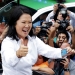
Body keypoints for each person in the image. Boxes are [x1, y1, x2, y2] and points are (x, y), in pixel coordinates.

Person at [1, 6, 73, 75]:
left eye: (29, 22)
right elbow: (9, 60)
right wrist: (17, 55)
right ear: (14, 24)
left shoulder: (33, 39)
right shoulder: (7, 42)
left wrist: (66, 52)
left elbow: (49, 51)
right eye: (23, 22)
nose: (27, 25)